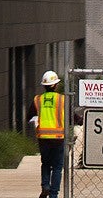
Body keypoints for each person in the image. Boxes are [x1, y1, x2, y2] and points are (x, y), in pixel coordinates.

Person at [30, 70, 66, 198]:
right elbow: (71, 116)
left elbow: (30, 116)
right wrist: (80, 120)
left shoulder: (38, 99)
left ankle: (45, 186)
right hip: (58, 138)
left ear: (44, 85)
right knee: (57, 167)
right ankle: (53, 194)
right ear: (55, 85)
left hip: (43, 138)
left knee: (45, 163)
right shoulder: (62, 99)